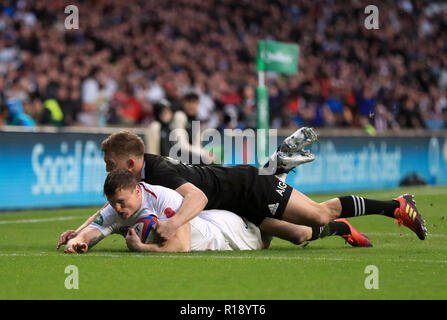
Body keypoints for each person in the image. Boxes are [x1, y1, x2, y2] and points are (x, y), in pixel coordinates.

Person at [57, 128, 426, 252]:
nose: (108, 172)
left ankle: (395, 205)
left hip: (248, 190)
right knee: (299, 235)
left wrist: (173, 225)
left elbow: (197, 198)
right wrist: (82, 228)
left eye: (110, 166)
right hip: (234, 206)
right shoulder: (139, 174)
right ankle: (340, 227)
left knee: (316, 213)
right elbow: (112, 203)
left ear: (130, 164)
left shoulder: (161, 172)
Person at [63, 169, 371, 253]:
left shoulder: (164, 197)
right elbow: (97, 227)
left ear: (138, 189)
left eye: (121, 202)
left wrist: (141, 247)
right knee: (296, 235)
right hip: (223, 214)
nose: (117, 209)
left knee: (303, 231)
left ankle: (278, 174)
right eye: (113, 203)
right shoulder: (120, 204)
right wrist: (80, 239)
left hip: (235, 224)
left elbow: (181, 247)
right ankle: (341, 228)